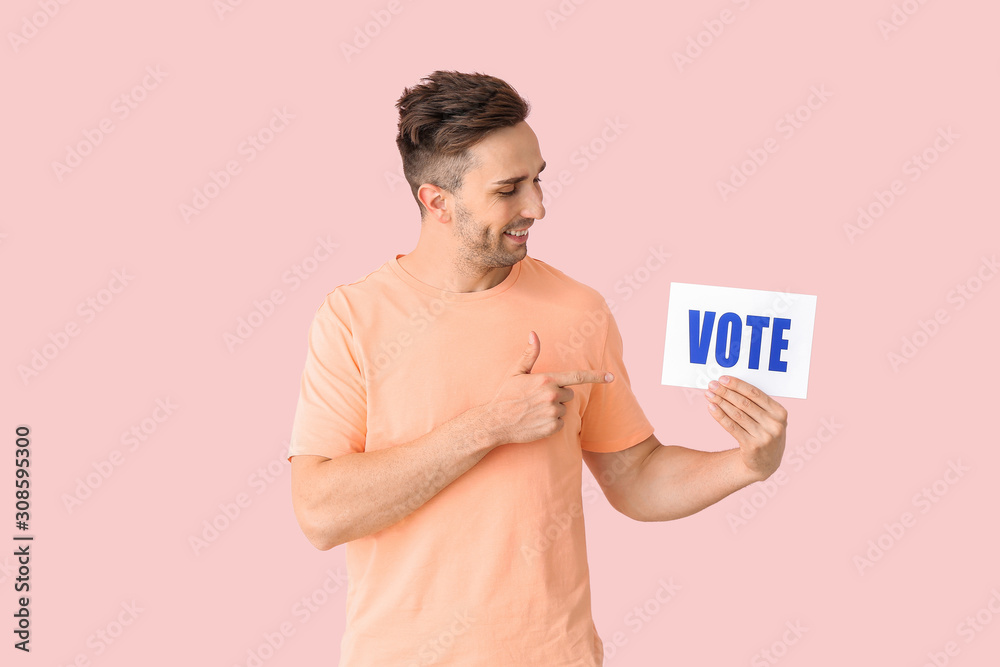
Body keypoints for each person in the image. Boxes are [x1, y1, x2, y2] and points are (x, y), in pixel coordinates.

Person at [288, 70, 788, 666]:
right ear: (436, 200)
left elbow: (635, 478)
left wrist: (746, 464)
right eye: (509, 189)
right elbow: (320, 514)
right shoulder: (352, 318)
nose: (538, 207)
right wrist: (487, 426)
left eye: (539, 180)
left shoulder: (578, 310)